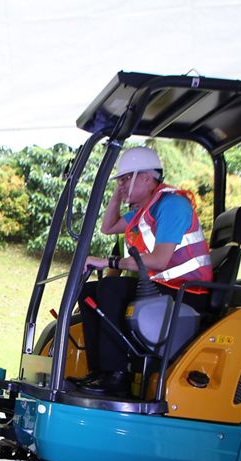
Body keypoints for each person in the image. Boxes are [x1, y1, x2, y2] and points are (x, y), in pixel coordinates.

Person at [78, 146, 213, 396]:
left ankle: (117, 375)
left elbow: (160, 260)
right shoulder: (144, 210)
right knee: (89, 292)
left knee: (111, 287)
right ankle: (100, 372)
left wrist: (108, 262)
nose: (122, 184)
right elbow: (108, 228)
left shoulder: (172, 205)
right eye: (120, 180)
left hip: (187, 291)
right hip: (167, 288)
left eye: (126, 178)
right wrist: (117, 194)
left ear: (147, 178)